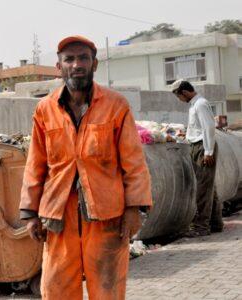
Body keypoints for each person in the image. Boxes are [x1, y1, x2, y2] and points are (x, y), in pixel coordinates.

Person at [19, 36, 152, 299]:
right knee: (56, 288)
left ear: (95, 64)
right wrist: (30, 212)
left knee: (107, 288)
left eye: (83, 58)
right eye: (69, 59)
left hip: (106, 215)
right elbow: (36, 163)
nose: (76, 64)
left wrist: (134, 208)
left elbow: (134, 162)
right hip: (59, 215)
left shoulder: (116, 105)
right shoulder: (45, 109)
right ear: (59, 66)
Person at [171, 79, 223, 237]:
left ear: (184, 92)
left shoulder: (200, 104)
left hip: (203, 147)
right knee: (209, 187)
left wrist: (208, 151)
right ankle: (215, 223)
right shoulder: (195, 104)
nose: (180, 100)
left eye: (179, 96)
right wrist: (187, 133)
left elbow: (209, 127)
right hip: (198, 146)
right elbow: (199, 126)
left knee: (202, 188)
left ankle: (201, 227)